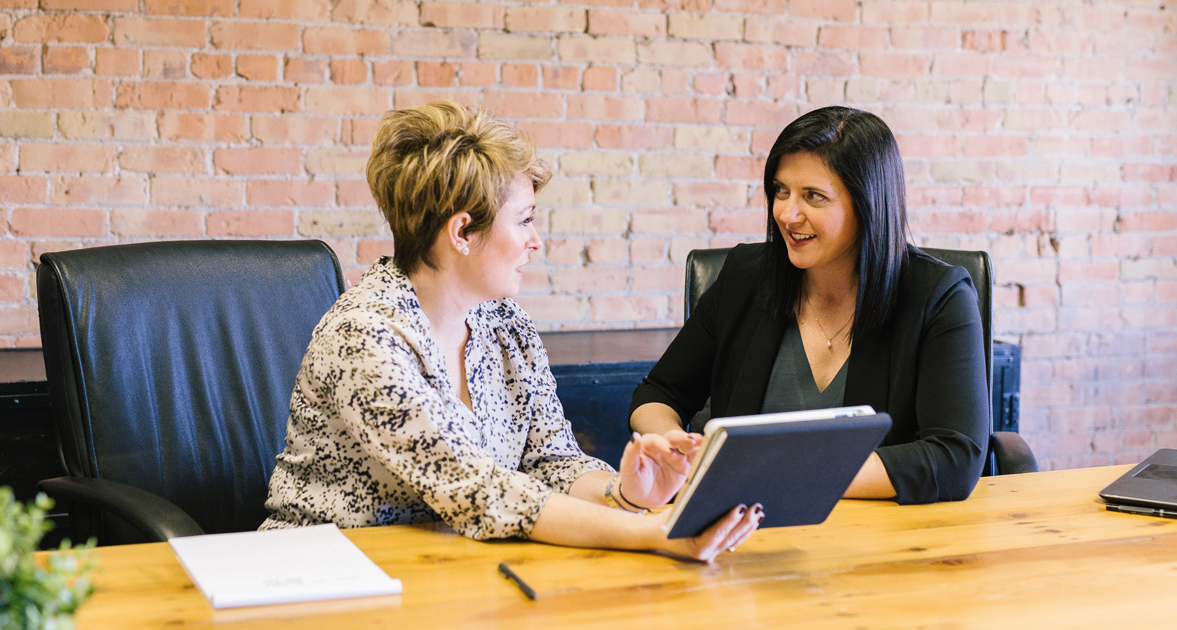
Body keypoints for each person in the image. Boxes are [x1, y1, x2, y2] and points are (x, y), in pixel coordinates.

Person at [261, 100, 762, 561]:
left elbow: (552, 460)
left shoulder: (504, 322)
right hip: (323, 574)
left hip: (451, 568)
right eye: (524, 220)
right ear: (462, 232)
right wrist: (656, 533)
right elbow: (480, 490)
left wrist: (626, 493)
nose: (535, 241)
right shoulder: (364, 337)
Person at [629, 106, 988, 505]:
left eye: (813, 196)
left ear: (868, 203)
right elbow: (658, 393)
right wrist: (671, 447)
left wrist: (778, 474)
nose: (787, 213)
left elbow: (955, 456)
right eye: (781, 191)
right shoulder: (746, 277)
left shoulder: (938, 296)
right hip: (741, 530)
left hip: (880, 537)